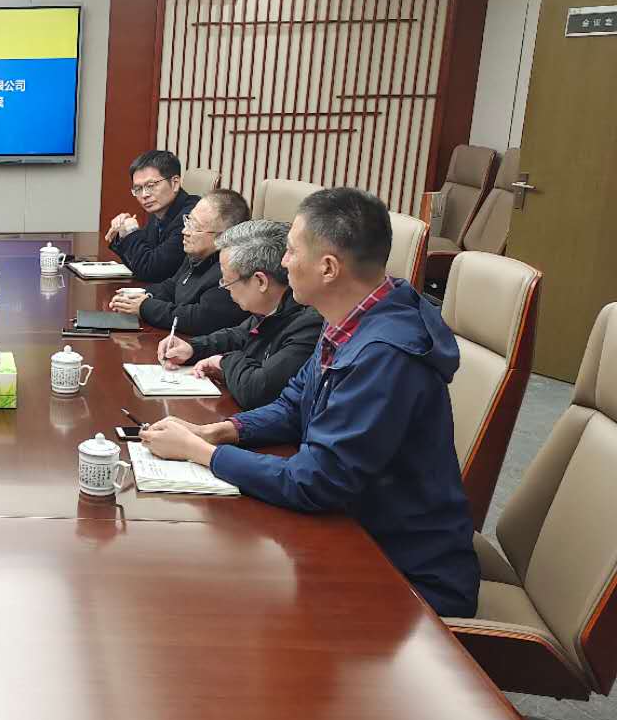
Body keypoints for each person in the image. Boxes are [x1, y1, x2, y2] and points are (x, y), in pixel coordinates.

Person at [140, 187, 477, 616]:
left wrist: (202, 453)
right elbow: (293, 404)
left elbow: (314, 481)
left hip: (403, 577)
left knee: (214, 602)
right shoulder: (352, 319)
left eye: (292, 251)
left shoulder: (385, 353)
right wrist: (221, 430)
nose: (281, 262)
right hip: (356, 535)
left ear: (328, 267)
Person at [155, 219, 322, 410]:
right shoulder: (273, 306)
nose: (224, 287)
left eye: (227, 281)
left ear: (260, 282)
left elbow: (258, 391)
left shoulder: (310, 323)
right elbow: (239, 336)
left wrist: (224, 362)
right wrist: (193, 348)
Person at [108, 189, 250, 334]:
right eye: (188, 221)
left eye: (195, 227)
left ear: (224, 236)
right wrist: (141, 295)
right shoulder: (199, 254)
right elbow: (173, 286)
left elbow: (199, 319)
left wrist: (144, 307)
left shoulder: (230, 270)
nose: (185, 231)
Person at [105, 149, 199, 282]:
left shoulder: (190, 218)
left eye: (151, 185)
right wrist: (123, 233)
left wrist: (131, 232)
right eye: (138, 189)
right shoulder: (160, 210)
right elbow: (140, 259)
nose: (144, 195)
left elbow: (152, 270)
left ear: (175, 183)